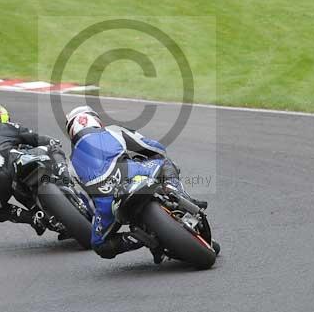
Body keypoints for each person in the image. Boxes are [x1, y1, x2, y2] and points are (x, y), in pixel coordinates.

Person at [64, 105, 215, 262]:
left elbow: (86, 204)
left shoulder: (70, 166)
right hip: (135, 174)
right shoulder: (113, 131)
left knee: (100, 245)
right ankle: (178, 194)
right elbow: (153, 147)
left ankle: (139, 237)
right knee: (165, 162)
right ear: (96, 121)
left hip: (107, 202)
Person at [0, 103, 70, 235]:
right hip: (16, 159)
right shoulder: (8, 127)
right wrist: (52, 141)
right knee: (54, 149)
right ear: (4, 118)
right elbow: (34, 138)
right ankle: (65, 177)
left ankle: (33, 218)